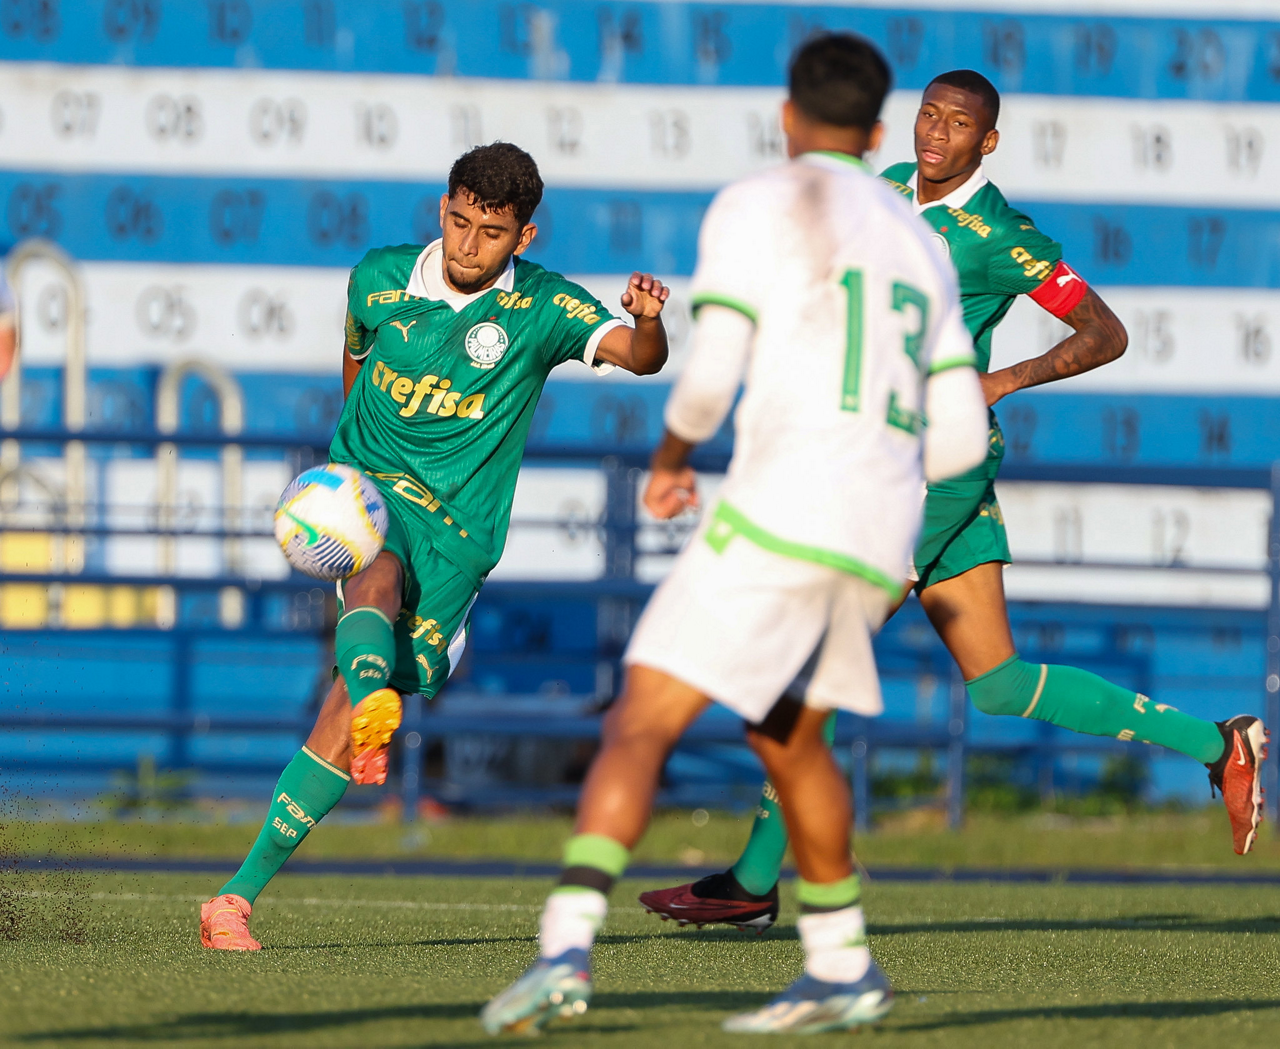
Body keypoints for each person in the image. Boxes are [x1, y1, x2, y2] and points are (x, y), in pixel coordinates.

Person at [638, 68, 1270, 936]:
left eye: (959, 123)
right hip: (896, 456)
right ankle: (1219, 742)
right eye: (929, 115)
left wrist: (1000, 380)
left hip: (932, 467)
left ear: (988, 141)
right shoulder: (892, 187)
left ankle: (752, 880)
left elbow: (1106, 332)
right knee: (1000, 683)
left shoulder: (999, 233)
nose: (937, 133)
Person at [481, 34, 990, 1035]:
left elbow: (709, 377)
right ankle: (840, 964)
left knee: (640, 718)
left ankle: (563, 948)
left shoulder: (760, 202)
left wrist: (671, 457)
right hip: (873, 534)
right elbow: (963, 436)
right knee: (791, 740)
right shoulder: (922, 241)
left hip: (780, 511)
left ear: (787, 118)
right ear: (879, 132)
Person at [199, 142, 671, 951]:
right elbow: (355, 359)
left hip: (460, 539)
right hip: (373, 488)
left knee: (357, 707)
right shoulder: (378, 278)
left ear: (523, 236)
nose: (467, 245)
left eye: (491, 232)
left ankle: (360, 710)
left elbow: (640, 358)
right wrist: (347, 474)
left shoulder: (543, 308)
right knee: (374, 569)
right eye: (458, 221)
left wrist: (649, 321)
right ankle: (235, 900)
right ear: (442, 208)